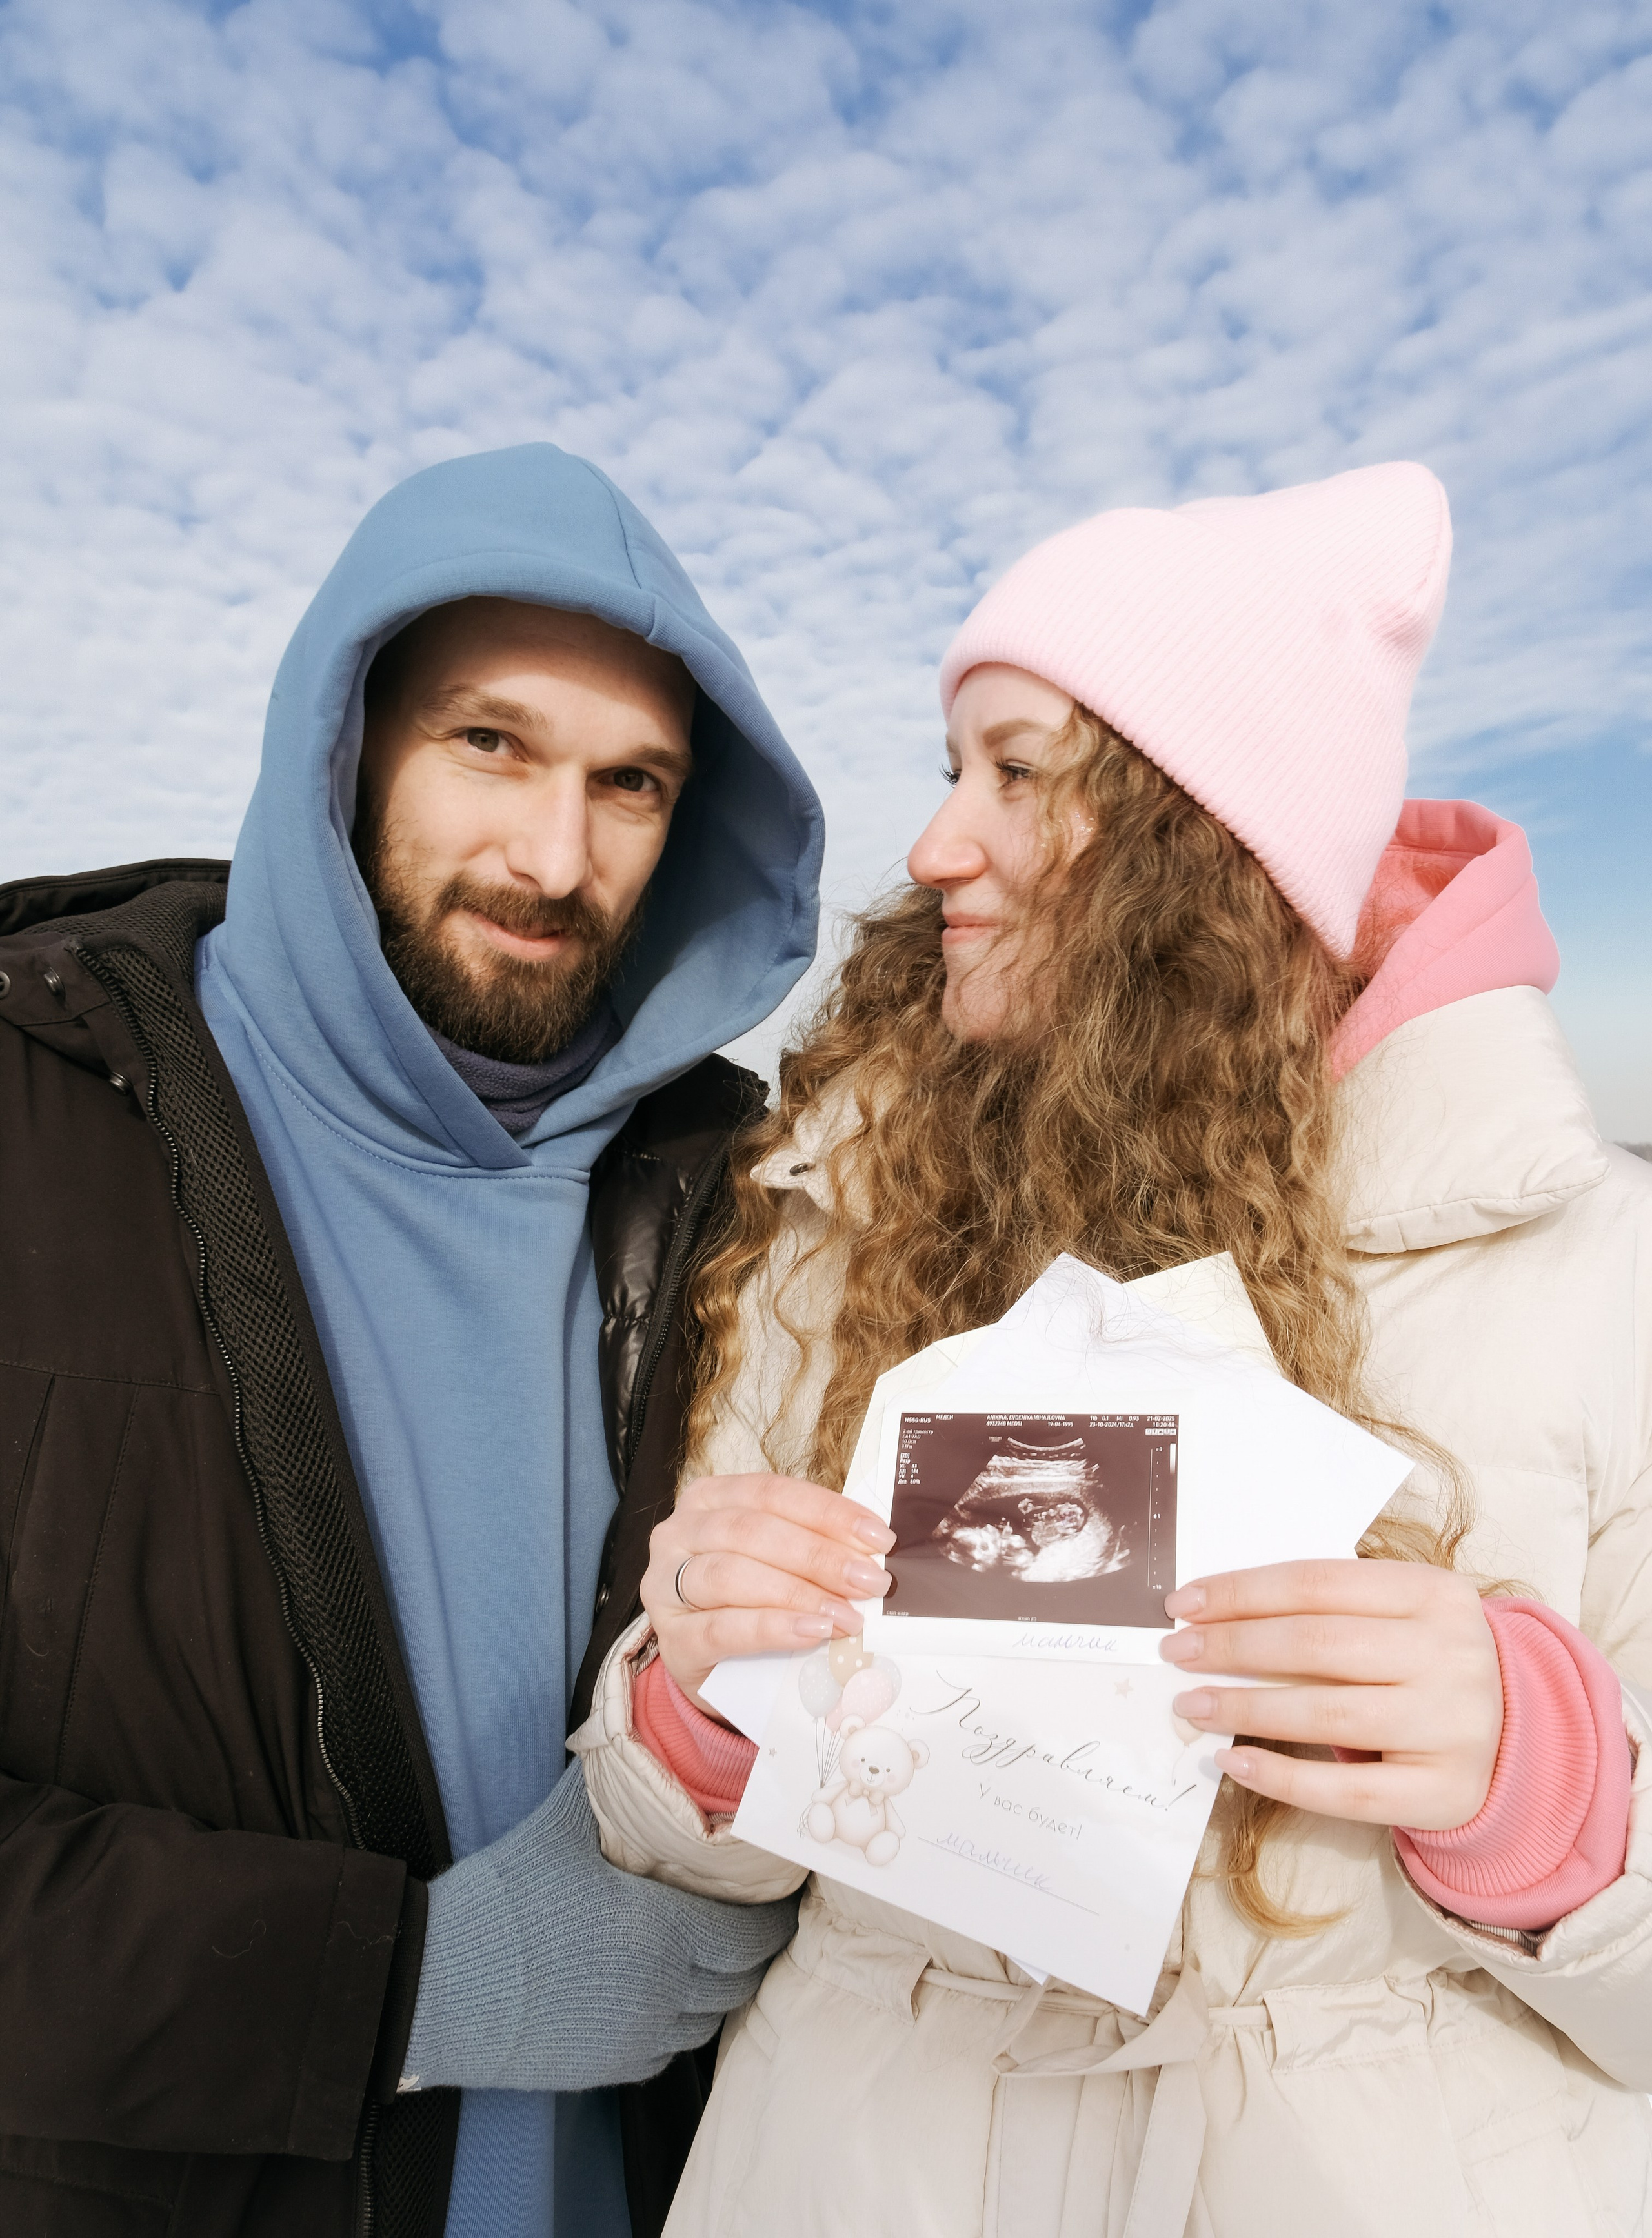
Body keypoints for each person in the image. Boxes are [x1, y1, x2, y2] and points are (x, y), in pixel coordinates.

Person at [572, 463, 1652, 2235]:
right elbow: (680, 1832)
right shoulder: (852, 1217)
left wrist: (1542, 1777)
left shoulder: (1591, 1263)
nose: (930, 847)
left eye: (1017, 772)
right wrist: (696, 1702)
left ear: (1194, 840)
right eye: (950, 769)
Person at [0, 444, 823, 2238]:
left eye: (632, 782)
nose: (554, 854)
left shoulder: (759, 1205)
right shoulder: (34, 1125)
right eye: (490, 743)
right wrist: (394, 1984)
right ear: (346, 734)